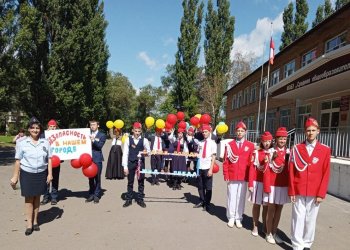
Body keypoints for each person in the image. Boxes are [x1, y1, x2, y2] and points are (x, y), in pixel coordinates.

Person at [289, 117, 330, 250]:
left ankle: (307, 244)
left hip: (315, 191)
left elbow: (326, 173)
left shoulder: (325, 150)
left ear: (318, 131)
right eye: (308, 130)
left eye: (313, 130)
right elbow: (291, 171)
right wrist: (292, 191)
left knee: (311, 220)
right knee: (298, 219)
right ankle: (297, 245)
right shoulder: (296, 148)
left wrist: (321, 194)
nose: (310, 133)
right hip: (299, 189)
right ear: (305, 132)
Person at [10, 117, 53, 236]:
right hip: (27, 174)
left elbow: (49, 159)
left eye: (37, 128)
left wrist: (50, 174)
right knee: (29, 199)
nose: (35, 130)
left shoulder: (45, 142)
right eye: (33, 128)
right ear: (29, 129)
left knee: (37, 198)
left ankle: (35, 221)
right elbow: (18, 160)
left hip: (41, 174)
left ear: (40, 129)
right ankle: (29, 224)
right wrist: (15, 176)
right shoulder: (22, 143)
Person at [223, 121, 255, 228]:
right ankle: (231, 217)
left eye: (242, 131)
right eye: (238, 131)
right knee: (231, 196)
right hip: (232, 175)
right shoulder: (230, 145)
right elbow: (226, 161)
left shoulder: (250, 145)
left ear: (245, 132)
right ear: (235, 132)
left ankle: (238, 217)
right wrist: (226, 174)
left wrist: (250, 179)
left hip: (243, 176)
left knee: (241, 197)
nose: (240, 133)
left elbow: (251, 163)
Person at [263, 127, 290, 244]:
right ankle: (268, 233)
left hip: (283, 185)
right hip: (272, 186)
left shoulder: (289, 153)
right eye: (280, 138)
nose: (282, 141)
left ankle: (274, 232)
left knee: (279, 210)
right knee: (271, 210)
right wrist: (267, 187)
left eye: (284, 139)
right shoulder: (270, 152)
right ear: (276, 139)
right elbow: (266, 171)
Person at [248, 131, 272, 237]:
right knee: (257, 205)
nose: (267, 143)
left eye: (269, 141)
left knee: (266, 206)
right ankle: (255, 225)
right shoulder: (257, 153)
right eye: (265, 141)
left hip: (269, 183)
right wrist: (250, 184)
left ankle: (265, 226)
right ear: (261, 141)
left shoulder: (273, 152)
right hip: (257, 182)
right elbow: (252, 170)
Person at [122, 122, 150, 208]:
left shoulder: (144, 140)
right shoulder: (128, 139)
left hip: (140, 163)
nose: (137, 133)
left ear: (141, 131)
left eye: (138, 131)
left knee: (141, 182)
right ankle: (129, 199)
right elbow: (125, 153)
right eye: (135, 131)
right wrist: (125, 166)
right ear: (132, 131)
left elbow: (149, 152)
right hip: (131, 163)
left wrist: (146, 153)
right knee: (130, 182)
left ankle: (140, 199)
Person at [193, 124, 217, 212]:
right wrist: (196, 154)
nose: (204, 133)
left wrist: (211, 169)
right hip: (200, 167)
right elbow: (199, 153)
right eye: (203, 132)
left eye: (206, 132)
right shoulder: (201, 142)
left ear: (209, 132)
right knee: (200, 186)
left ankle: (207, 204)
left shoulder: (213, 143)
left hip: (207, 167)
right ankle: (202, 201)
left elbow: (213, 157)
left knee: (208, 187)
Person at [85, 119, 106, 204]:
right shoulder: (86, 134)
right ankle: (91, 194)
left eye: (94, 124)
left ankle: (97, 195)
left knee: (97, 178)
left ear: (98, 125)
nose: (92, 126)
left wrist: (93, 140)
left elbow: (100, 146)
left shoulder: (102, 135)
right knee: (90, 178)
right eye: (91, 125)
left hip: (97, 159)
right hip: (88, 159)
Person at [41, 119, 61, 205]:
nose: (52, 128)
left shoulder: (60, 135)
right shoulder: (43, 135)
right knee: (46, 180)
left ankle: (54, 197)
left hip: (56, 161)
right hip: (45, 161)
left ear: (56, 127)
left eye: (54, 126)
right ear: (48, 127)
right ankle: (46, 196)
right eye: (50, 126)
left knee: (55, 179)